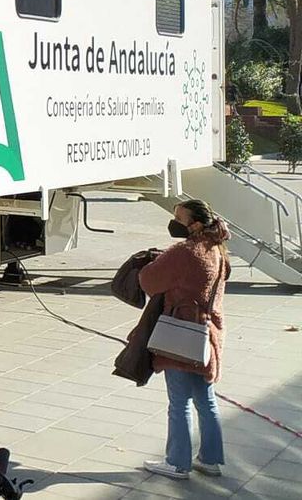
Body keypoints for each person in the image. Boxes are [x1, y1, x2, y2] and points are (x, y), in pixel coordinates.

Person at [138, 199, 230, 481]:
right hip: (207, 335)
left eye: (179, 217)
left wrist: (153, 262)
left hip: (180, 333)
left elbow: (149, 280)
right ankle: (211, 460)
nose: (174, 222)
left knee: (178, 402)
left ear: (196, 224)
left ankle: (177, 463)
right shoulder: (217, 250)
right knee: (206, 400)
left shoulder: (185, 251)